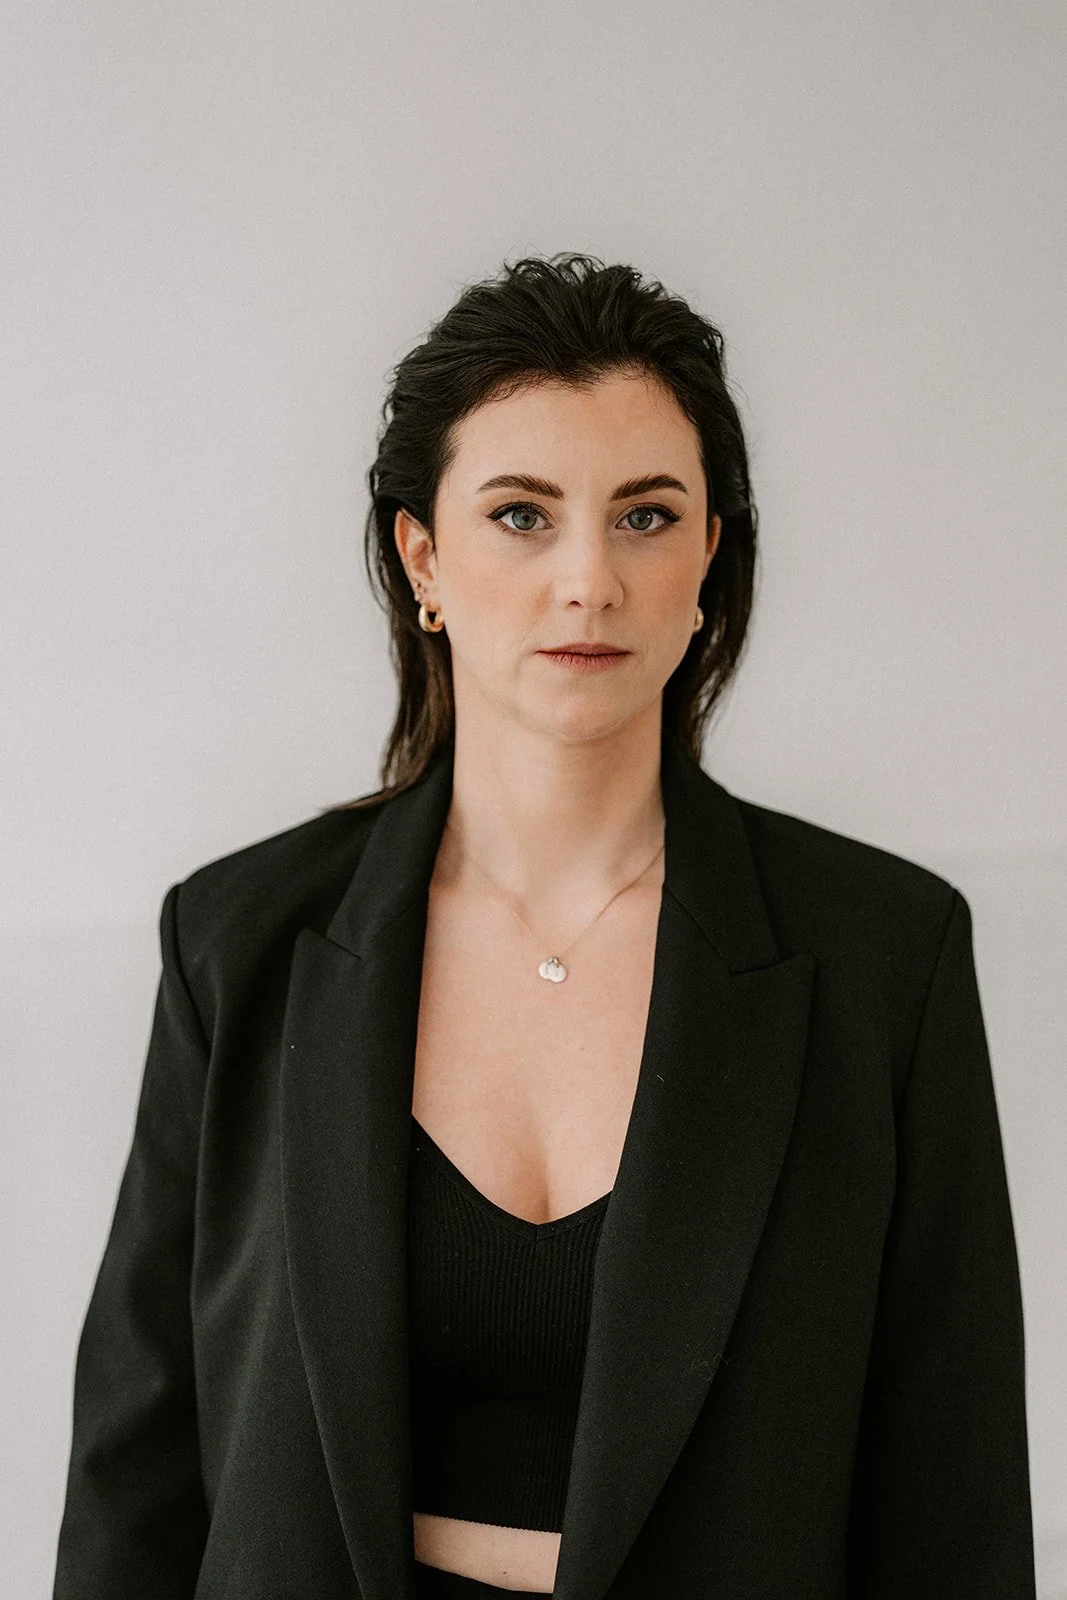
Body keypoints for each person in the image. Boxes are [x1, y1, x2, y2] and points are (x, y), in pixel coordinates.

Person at [53, 253, 1036, 1600]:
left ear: (707, 559)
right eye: (521, 514)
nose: (588, 579)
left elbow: (952, 1490)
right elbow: (134, 1470)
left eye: (644, 516)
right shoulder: (238, 942)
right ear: (422, 557)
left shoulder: (882, 957)